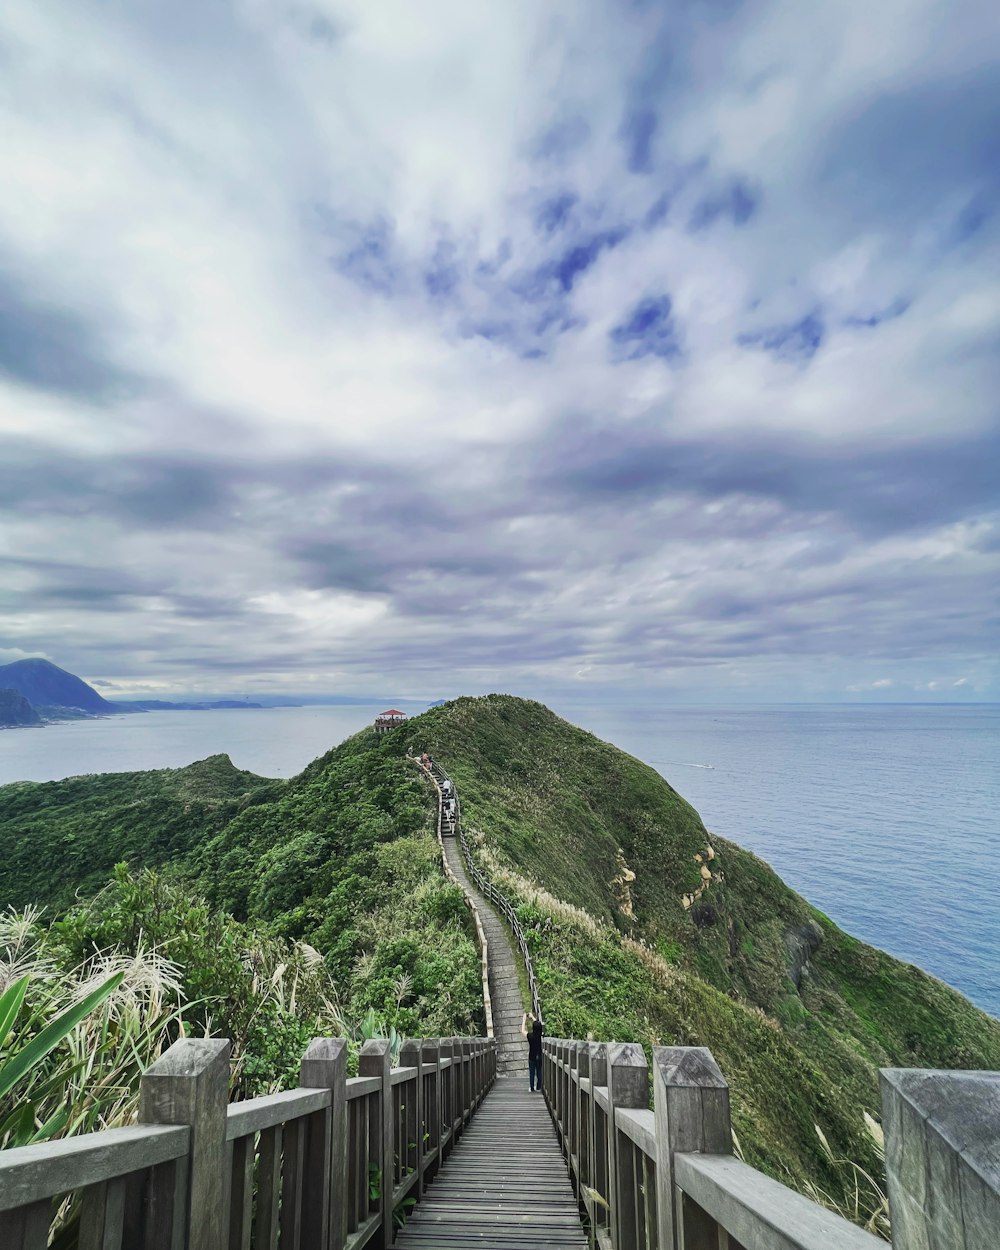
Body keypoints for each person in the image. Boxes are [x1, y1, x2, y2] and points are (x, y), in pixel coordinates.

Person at [521, 1012, 544, 1091]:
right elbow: (539, 1025)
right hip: (539, 1056)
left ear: (533, 1028)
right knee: (539, 1072)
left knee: (532, 1073)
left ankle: (531, 1087)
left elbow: (523, 1031)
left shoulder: (531, 1036)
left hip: (532, 1056)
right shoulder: (541, 1037)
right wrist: (533, 1017)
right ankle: (539, 1087)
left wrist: (524, 1020)